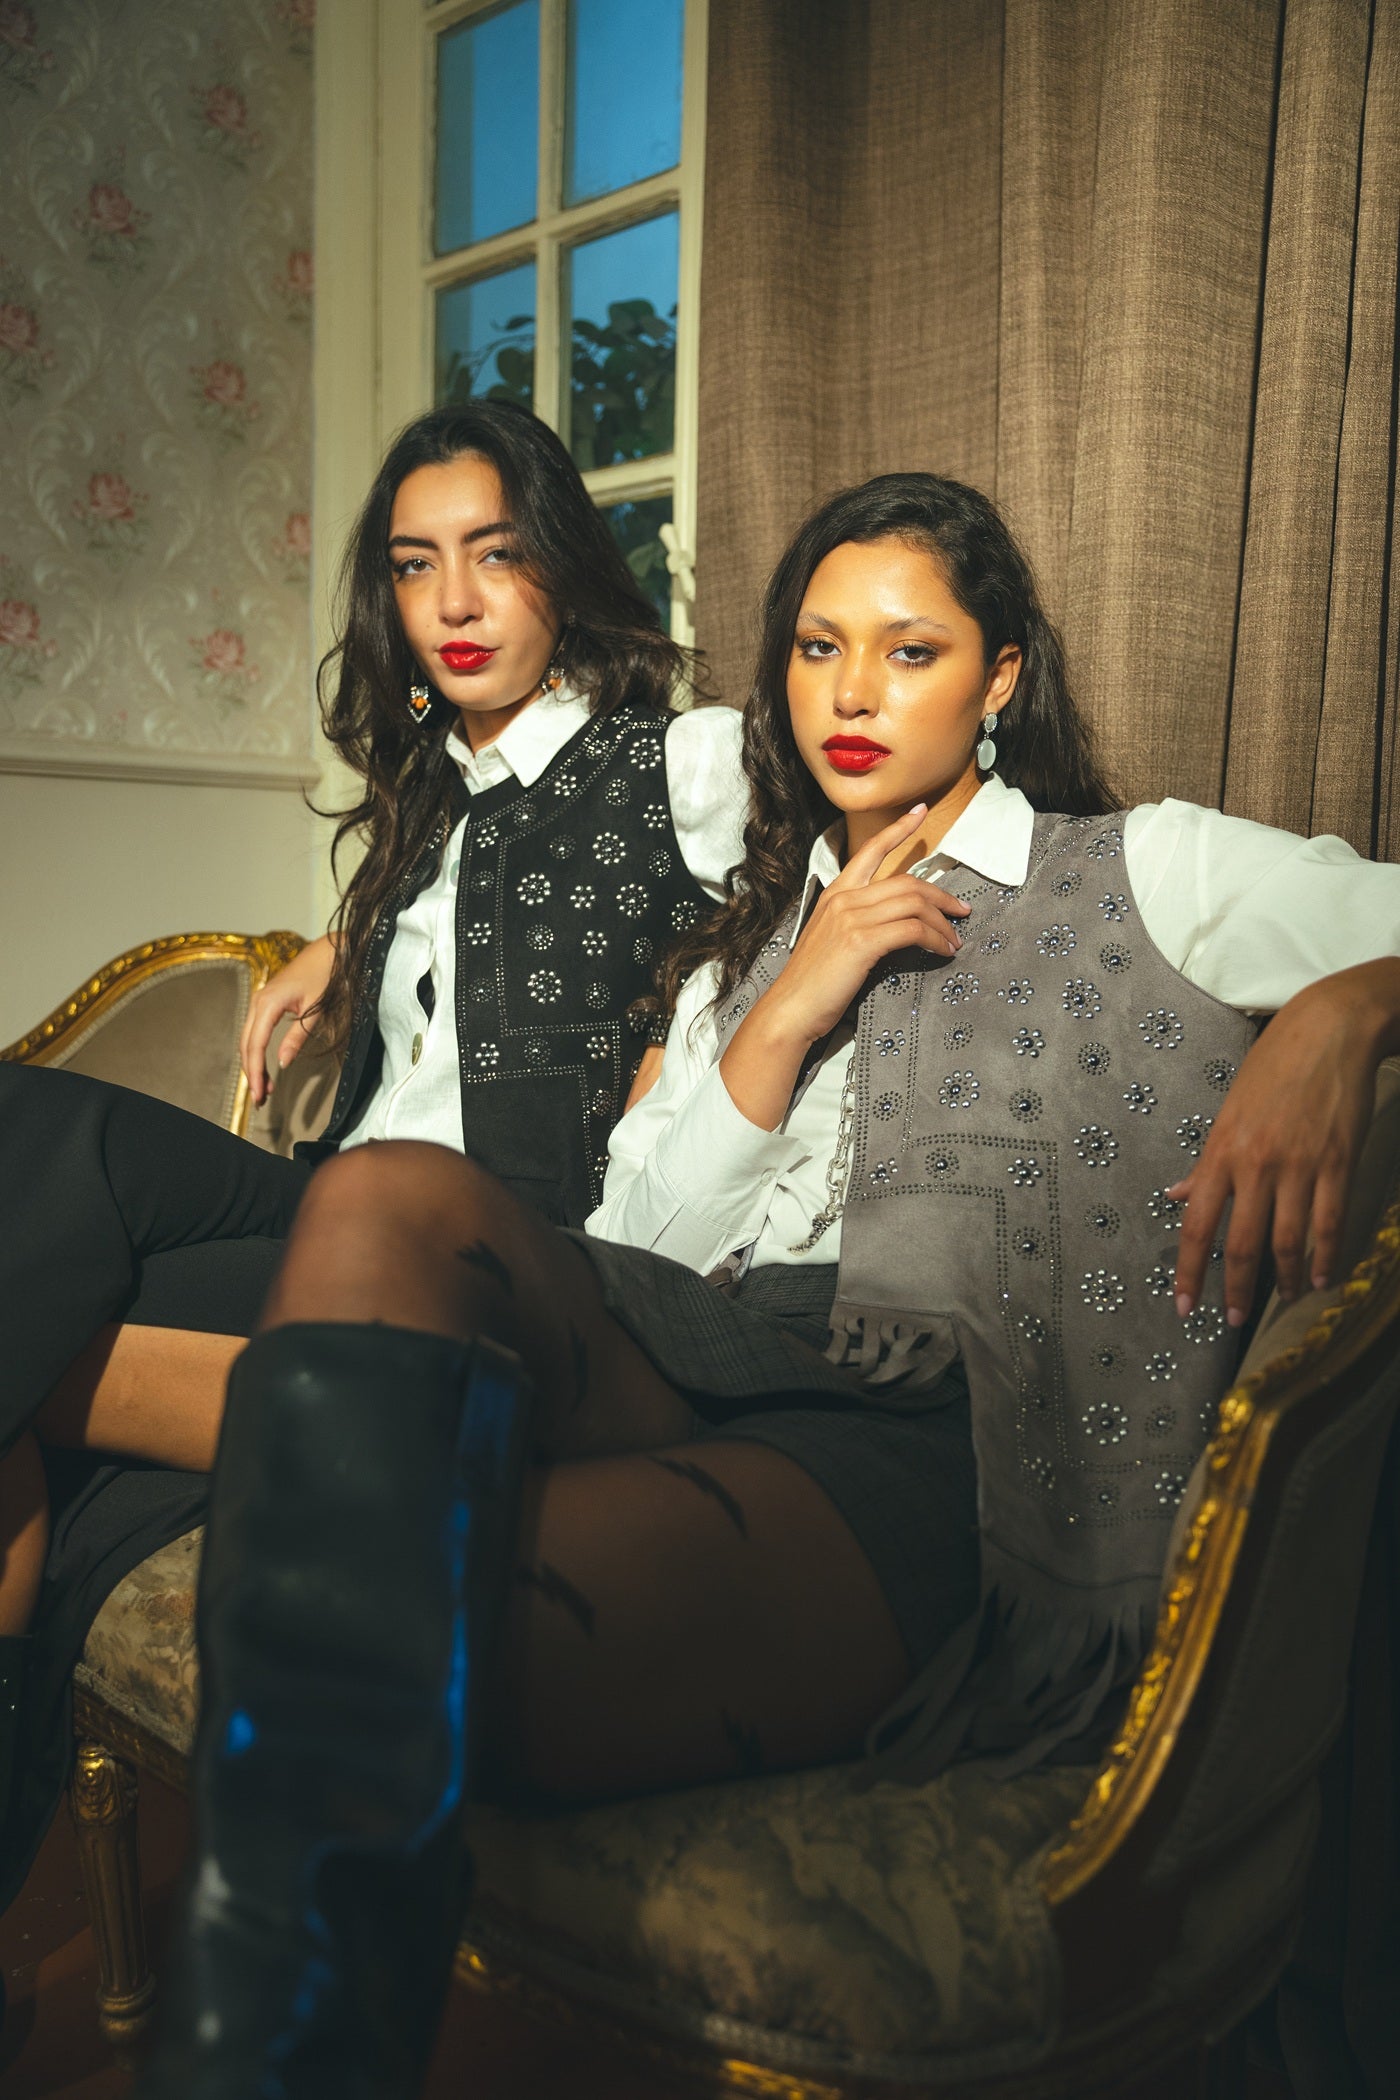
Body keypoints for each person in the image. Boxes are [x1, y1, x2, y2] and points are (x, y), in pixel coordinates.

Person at [134, 472, 1400, 2098]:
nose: (850, 695)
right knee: (385, 1192)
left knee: (371, 1627)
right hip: (691, 1351)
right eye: (814, 650)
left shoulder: (1146, 870)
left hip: (925, 1438)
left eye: (909, 650)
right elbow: (636, 1253)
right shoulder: (746, 947)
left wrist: (1343, 1016)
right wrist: (791, 1004)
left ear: (1001, 679)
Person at [0, 399, 746, 1913]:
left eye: (496, 554)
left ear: (565, 570)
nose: (454, 602)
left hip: (495, 1250)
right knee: (28, 1129)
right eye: (416, 566)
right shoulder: (423, 796)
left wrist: (726, 1023)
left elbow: (857, 869)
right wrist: (346, 937)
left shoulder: (685, 760)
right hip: (323, 1210)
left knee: (54, 1289)